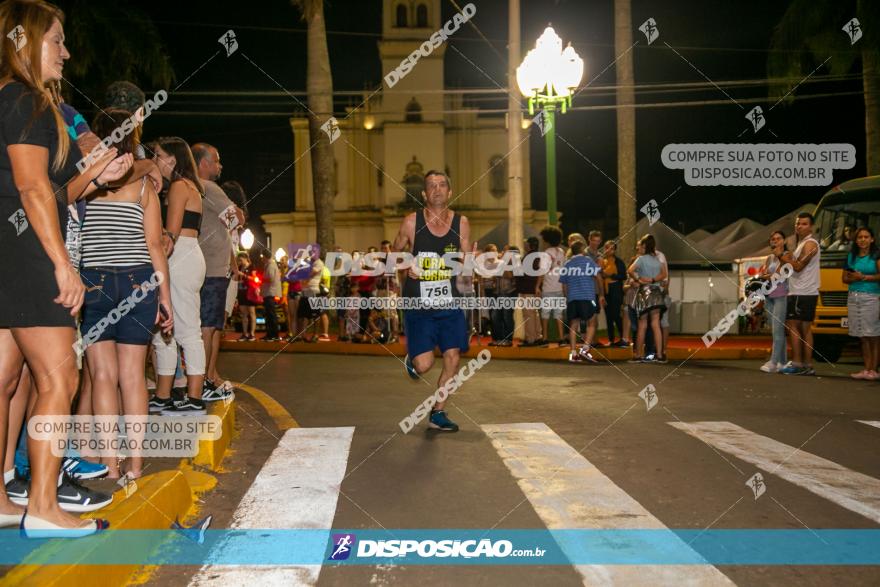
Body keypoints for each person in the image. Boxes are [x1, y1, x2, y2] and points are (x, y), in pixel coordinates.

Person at [0, 0, 135, 536]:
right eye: (56, 39)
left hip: (11, 249)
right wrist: (63, 266)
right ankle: (42, 506)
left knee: (7, 378)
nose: (66, 50)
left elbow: (51, 191)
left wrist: (96, 176)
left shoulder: (12, 100)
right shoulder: (27, 101)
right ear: (25, 42)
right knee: (60, 375)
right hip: (30, 253)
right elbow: (32, 191)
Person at [79, 109, 173, 479]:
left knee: (103, 375)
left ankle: (110, 464)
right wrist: (165, 297)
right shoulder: (145, 186)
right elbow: (154, 246)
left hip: (95, 283)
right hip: (140, 283)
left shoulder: (87, 181)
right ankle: (135, 463)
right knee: (134, 376)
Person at [393, 170, 472, 432]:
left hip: (449, 302)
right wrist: (407, 265)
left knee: (453, 356)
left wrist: (471, 262)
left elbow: (465, 259)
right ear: (425, 194)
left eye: (442, 185)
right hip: (419, 304)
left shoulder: (461, 223)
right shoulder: (410, 222)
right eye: (431, 186)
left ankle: (438, 412)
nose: (437, 189)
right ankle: (413, 359)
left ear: (450, 191)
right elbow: (393, 255)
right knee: (424, 366)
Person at [149, 137, 209, 414]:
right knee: (168, 328)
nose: (154, 159)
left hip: (179, 256)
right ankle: (164, 395)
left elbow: (170, 234)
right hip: (188, 255)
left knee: (185, 328)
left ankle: (194, 397)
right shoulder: (191, 186)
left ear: (172, 160)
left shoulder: (178, 186)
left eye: (158, 155)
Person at [191, 143, 238, 400]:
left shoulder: (191, 187)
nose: (219, 166)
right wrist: (236, 210)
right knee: (208, 327)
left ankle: (209, 375)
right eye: (216, 161)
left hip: (204, 266)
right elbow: (236, 218)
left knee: (210, 326)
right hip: (212, 270)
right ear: (203, 163)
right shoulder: (209, 188)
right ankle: (205, 382)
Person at [779, 213, 820, 375]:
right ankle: (807, 365)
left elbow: (798, 266)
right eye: (797, 224)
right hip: (803, 291)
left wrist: (783, 257)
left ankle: (798, 363)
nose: (799, 226)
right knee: (804, 328)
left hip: (803, 292)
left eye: (803, 224)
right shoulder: (802, 243)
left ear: (811, 226)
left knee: (794, 325)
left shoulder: (810, 244)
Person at [842, 227, 880, 379]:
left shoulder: (876, 255)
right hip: (853, 297)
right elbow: (844, 278)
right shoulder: (851, 256)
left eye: (866, 237)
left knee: (873, 334)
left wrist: (863, 277)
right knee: (862, 335)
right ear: (856, 240)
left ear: (872, 239)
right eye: (860, 237)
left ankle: (874, 370)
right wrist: (855, 278)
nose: (863, 240)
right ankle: (866, 369)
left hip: (871, 296)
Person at [559, 241, 604, 363]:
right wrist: (601, 294)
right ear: (582, 250)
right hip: (587, 297)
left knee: (573, 325)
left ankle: (573, 353)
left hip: (573, 298)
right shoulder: (588, 260)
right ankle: (585, 349)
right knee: (592, 323)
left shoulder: (567, 264)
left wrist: (567, 298)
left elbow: (564, 284)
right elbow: (598, 277)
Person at [627, 235, 668, 363]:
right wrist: (653, 280)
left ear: (645, 246)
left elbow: (630, 270)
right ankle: (660, 355)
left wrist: (638, 279)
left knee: (642, 325)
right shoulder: (657, 260)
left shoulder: (641, 259)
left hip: (644, 292)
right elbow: (664, 274)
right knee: (656, 324)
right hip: (656, 292)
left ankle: (638, 355)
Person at [757, 231, 789, 373]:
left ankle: (773, 362)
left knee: (777, 330)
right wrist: (768, 276)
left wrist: (769, 276)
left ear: (784, 240)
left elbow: (779, 275)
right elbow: (763, 274)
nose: (775, 241)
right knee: (775, 331)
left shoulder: (788, 255)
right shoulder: (770, 258)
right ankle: (782, 362)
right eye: (773, 239)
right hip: (769, 296)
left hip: (781, 296)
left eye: (778, 239)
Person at [537, 227, 566, 346]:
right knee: (559, 314)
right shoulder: (561, 252)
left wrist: (537, 286)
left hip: (548, 288)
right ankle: (561, 338)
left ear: (547, 240)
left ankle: (545, 338)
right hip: (559, 287)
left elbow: (542, 272)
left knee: (545, 314)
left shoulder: (546, 254)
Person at [601, 240, 628, 347]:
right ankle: (611, 339)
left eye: (611, 248)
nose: (608, 250)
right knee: (608, 316)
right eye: (606, 247)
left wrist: (610, 276)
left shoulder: (618, 262)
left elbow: (623, 276)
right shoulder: (602, 261)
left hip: (616, 289)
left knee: (616, 315)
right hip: (606, 290)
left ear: (615, 250)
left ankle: (623, 338)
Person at [516, 236, 542, 346]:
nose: (525, 245)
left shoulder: (530, 256)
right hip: (533, 289)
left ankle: (530, 338)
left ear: (530, 245)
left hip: (528, 288)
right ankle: (537, 336)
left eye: (526, 243)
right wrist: (538, 286)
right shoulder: (537, 256)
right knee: (534, 313)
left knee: (528, 314)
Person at [260, 251, 282, 341]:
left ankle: (274, 334)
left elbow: (271, 279)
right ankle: (270, 334)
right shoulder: (269, 265)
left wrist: (261, 279)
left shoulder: (271, 265)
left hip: (270, 293)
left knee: (271, 314)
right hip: (268, 293)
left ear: (265, 257)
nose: (261, 259)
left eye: (262, 257)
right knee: (268, 315)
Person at [235, 253, 257, 340]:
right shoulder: (240, 267)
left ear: (245, 258)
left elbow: (254, 278)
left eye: (241, 260)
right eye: (239, 260)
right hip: (241, 292)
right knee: (244, 314)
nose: (240, 262)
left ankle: (252, 333)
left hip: (250, 292)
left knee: (252, 313)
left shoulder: (252, 267)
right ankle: (245, 333)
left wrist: (244, 275)